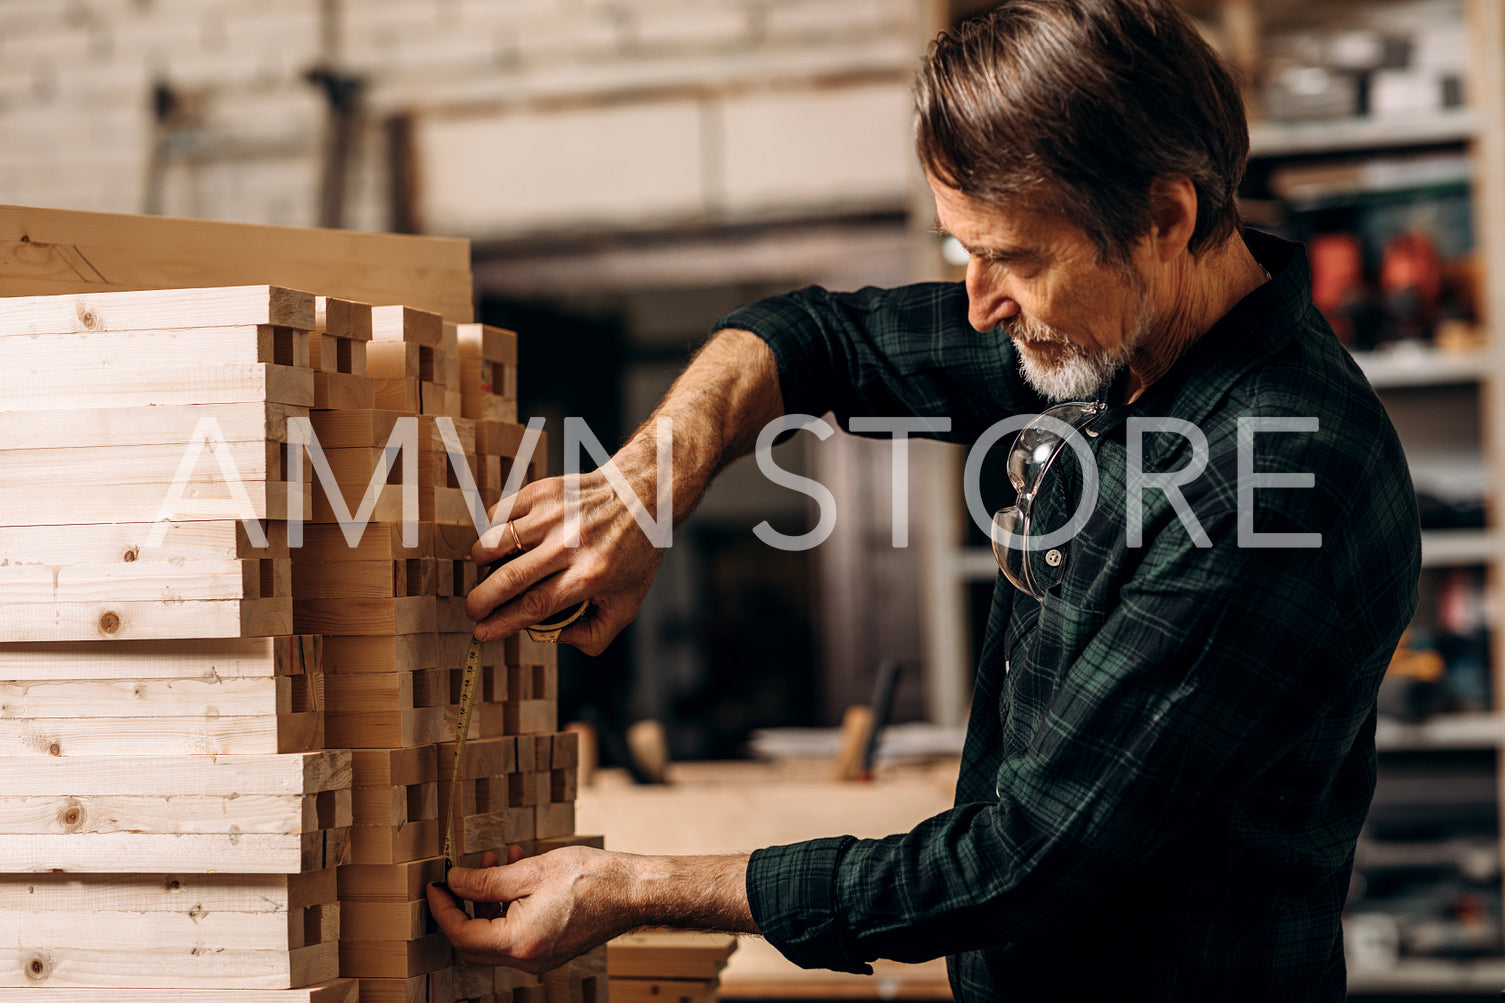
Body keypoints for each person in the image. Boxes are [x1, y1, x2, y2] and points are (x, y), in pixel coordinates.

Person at [427, 1, 1421, 999]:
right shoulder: (1109, 330)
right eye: (962, 253)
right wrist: (641, 486)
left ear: (1164, 217)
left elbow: (1017, 860)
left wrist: (633, 887)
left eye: (1015, 259)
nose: (981, 304)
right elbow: (814, 338)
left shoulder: (1272, 483)